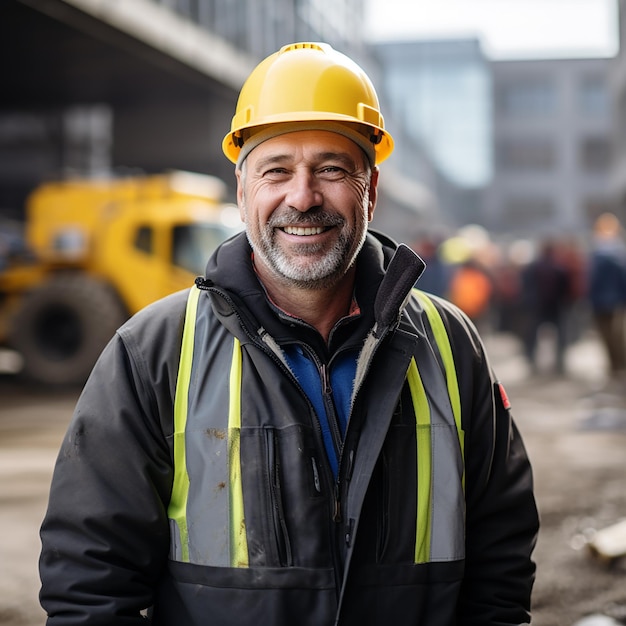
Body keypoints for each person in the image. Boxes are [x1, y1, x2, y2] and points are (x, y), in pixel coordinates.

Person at [39, 42, 539, 626]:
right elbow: (90, 581)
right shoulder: (152, 353)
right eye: (276, 169)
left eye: (331, 168)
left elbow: (500, 554)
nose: (302, 197)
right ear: (243, 189)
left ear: (370, 190)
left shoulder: (449, 345)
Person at [520, 239, 573, 376]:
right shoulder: (559, 267)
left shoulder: (533, 267)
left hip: (538, 306)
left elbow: (526, 284)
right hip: (555, 306)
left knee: (532, 335)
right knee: (560, 335)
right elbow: (566, 288)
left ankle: (532, 362)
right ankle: (560, 363)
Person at [587, 212, 626, 385]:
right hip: (603, 301)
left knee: (615, 336)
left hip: (613, 301)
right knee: (608, 336)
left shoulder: (615, 252)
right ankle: (614, 367)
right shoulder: (600, 253)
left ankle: (619, 367)